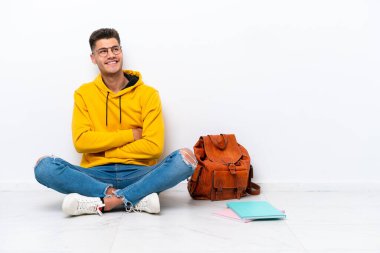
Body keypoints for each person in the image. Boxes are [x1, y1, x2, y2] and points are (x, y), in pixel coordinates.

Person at [34, 28, 197, 216]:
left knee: (185, 159)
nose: (111, 55)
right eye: (103, 51)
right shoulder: (84, 94)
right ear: (93, 58)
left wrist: (103, 148)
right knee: (43, 166)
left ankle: (105, 202)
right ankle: (130, 198)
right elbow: (81, 142)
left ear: (121, 51)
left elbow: (153, 147)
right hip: (96, 175)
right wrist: (132, 135)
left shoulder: (148, 94)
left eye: (115, 49)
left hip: (140, 173)